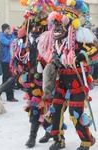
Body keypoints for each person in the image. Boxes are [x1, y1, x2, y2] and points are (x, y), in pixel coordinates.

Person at [38, 1, 96, 150]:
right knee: (55, 109)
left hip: (77, 80)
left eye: (60, 23)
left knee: (75, 111)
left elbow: (94, 51)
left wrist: (83, 56)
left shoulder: (80, 37)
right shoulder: (55, 41)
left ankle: (87, 141)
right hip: (62, 80)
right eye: (55, 23)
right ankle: (58, 140)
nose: (57, 27)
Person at [9, 0, 56, 147]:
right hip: (30, 77)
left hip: (47, 78)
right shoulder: (23, 40)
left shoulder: (50, 39)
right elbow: (16, 56)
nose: (35, 28)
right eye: (32, 25)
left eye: (38, 25)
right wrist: (16, 66)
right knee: (34, 106)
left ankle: (42, 133)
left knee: (47, 105)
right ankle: (40, 133)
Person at [0, 23, 18, 102]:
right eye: (8, 29)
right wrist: (14, 36)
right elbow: (10, 43)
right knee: (8, 79)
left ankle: (0, 93)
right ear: (4, 29)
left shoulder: (9, 36)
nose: (9, 30)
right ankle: (8, 96)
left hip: (10, 61)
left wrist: (14, 34)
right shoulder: (1, 37)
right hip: (5, 61)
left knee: (8, 79)